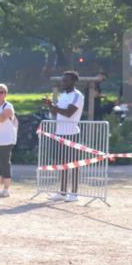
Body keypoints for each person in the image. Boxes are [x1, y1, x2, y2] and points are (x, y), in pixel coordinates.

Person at [43, 70, 84, 202]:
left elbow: (69, 113)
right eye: (63, 80)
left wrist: (55, 108)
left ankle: (74, 193)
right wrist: (50, 105)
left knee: (74, 164)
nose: (63, 82)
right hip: (60, 133)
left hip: (72, 133)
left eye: (66, 80)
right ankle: (62, 192)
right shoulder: (62, 95)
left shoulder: (78, 96)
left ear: (73, 81)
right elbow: (57, 114)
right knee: (62, 163)